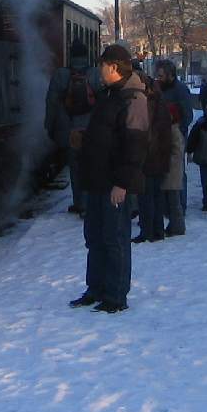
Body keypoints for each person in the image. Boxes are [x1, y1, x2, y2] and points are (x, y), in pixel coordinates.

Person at [70, 44, 149, 313]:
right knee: (95, 238)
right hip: (97, 181)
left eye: (102, 65)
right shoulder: (110, 95)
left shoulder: (133, 99)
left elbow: (135, 144)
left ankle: (116, 296)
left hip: (114, 184)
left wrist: (123, 182)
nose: (98, 70)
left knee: (115, 240)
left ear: (113, 67)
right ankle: (96, 288)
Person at [45, 40, 97, 213]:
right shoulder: (95, 74)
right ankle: (90, 202)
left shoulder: (61, 75)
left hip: (70, 128)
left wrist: (49, 125)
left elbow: (51, 102)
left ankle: (79, 202)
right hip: (91, 128)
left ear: (71, 56)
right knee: (90, 165)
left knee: (75, 167)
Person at [135, 73, 173, 242]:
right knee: (156, 194)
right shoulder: (159, 100)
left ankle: (147, 231)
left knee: (145, 196)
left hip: (148, 155)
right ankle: (157, 230)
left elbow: (144, 130)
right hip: (159, 154)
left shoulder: (144, 102)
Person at [154, 60, 195, 220]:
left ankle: (179, 206)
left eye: (161, 75)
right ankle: (166, 206)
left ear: (170, 75)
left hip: (176, 134)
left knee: (178, 172)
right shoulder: (158, 88)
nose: (158, 78)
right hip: (160, 135)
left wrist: (179, 129)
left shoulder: (180, 90)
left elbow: (188, 115)